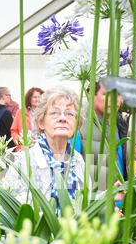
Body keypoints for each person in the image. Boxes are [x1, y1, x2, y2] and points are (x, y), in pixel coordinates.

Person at [5, 86, 86, 215]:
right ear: (41, 122)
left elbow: (85, 204)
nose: (62, 118)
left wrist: (105, 202)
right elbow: (8, 210)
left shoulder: (78, 160)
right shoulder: (25, 161)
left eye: (70, 113)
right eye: (54, 113)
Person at [79, 81, 128, 193]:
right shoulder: (79, 125)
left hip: (121, 200)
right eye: (106, 94)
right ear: (91, 95)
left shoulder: (121, 123)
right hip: (95, 203)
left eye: (118, 94)